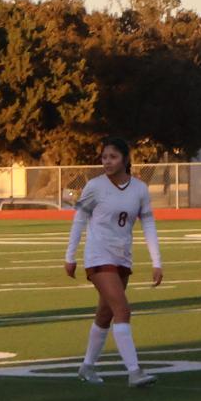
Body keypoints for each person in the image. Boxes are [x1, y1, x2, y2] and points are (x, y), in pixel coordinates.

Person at [66, 137, 162, 387]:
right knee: (123, 309)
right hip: (98, 255)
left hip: (122, 256)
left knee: (105, 314)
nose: (107, 162)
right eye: (104, 157)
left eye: (113, 157)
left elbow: (148, 223)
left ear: (125, 159)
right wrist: (70, 256)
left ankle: (87, 367)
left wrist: (156, 262)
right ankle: (134, 371)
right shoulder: (94, 186)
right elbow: (79, 220)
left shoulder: (139, 189)